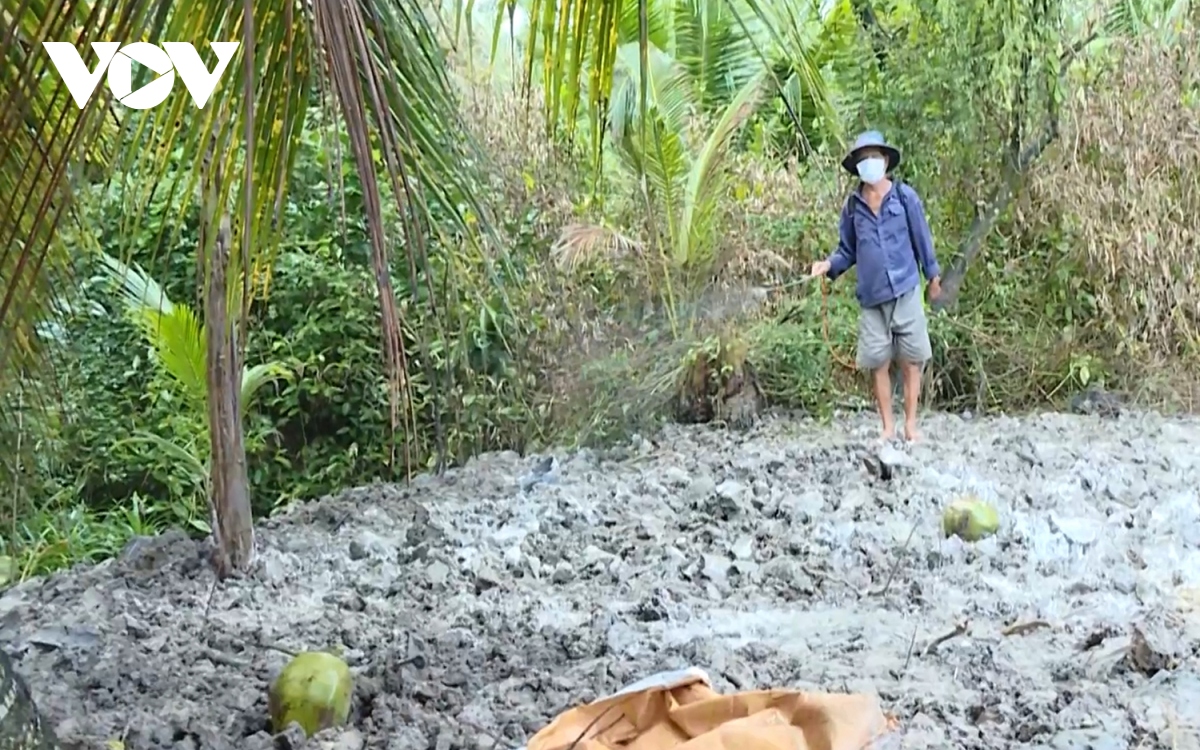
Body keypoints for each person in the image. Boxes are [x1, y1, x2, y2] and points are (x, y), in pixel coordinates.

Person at [809, 130, 942, 442]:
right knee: (877, 362)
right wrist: (827, 265)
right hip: (871, 298)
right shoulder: (852, 208)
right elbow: (847, 251)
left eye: (874, 157)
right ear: (857, 166)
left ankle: (910, 425)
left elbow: (922, 239)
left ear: (885, 161)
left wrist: (933, 278)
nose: (869, 163)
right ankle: (887, 427)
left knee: (912, 360)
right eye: (863, 158)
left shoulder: (906, 197)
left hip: (906, 288)